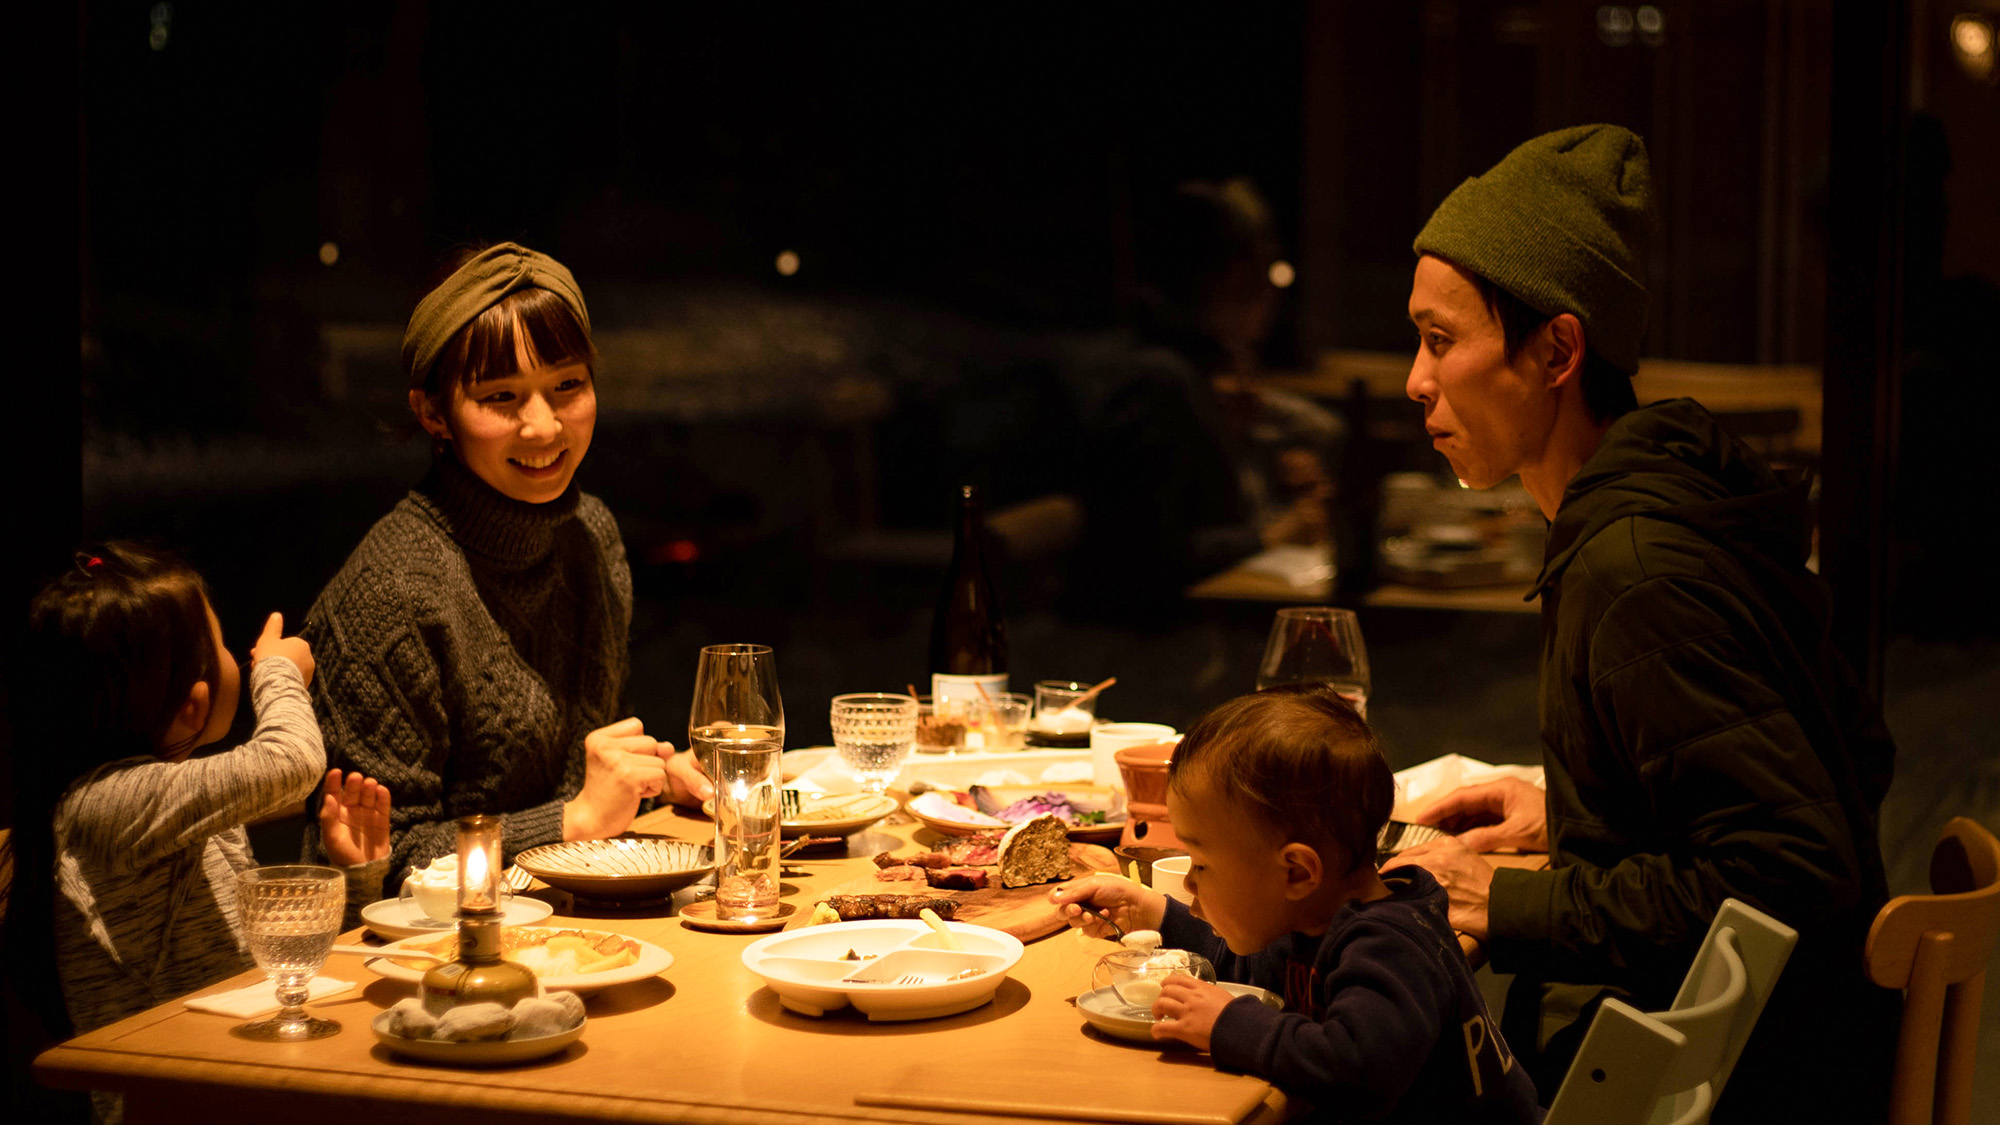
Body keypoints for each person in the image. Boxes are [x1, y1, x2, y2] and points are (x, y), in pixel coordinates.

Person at [1387, 124, 1898, 1121]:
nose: (1415, 379)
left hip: (1728, 1086)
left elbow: (1794, 873)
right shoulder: (1656, 517)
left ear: (1556, 351)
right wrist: (1577, 817)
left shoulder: (1634, 567)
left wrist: (1503, 897)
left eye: (1440, 340)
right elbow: (1844, 758)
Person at [301, 242, 711, 889]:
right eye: (501, 396)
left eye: (567, 385)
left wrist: (656, 778)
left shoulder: (590, 534)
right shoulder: (390, 592)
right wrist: (571, 821)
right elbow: (375, 862)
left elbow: (578, 774)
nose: (544, 426)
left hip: (574, 922)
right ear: (433, 412)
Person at [0, 542, 390, 1124]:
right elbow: (292, 761)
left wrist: (357, 880)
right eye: (225, 647)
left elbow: (277, 979)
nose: (242, 659)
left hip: (242, 1077)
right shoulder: (101, 805)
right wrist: (280, 671)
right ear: (193, 701)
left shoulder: (179, 800)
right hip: (169, 1101)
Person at [1049, 687, 1539, 1124]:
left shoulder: (1390, 947)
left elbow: (1357, 1069)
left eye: (1201, 863)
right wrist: (1154, 914)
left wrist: (1229, 1025)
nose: (1191, 883)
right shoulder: (1310, 917)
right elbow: (1250, 970)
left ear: (1297, 872)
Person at [1067, 179, 1342, 613]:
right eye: (1262, 272)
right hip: (1150, 640)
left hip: (1201, 620)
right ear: (1229, 279)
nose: (1270, 296)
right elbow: (1141, 556)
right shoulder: (1158, 382)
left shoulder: (1196, 372)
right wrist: (1271, 534)